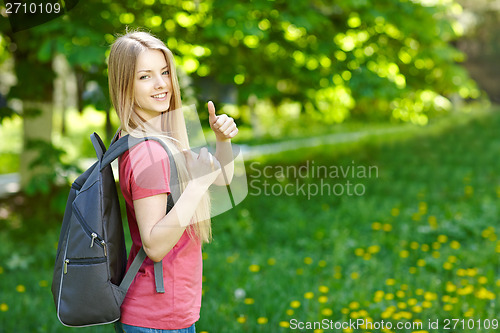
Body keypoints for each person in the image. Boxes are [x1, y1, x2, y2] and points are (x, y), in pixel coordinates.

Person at [107, 30, 238, 333]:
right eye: (145, 76)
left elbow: (223, 177)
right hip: (158, 317)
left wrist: (222, 140)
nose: (161, 84)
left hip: (165, 312)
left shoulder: (157, 134)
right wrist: (196, 187)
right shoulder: (149, 150)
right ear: (125, 84)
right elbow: (154, 245)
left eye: (164, 72)